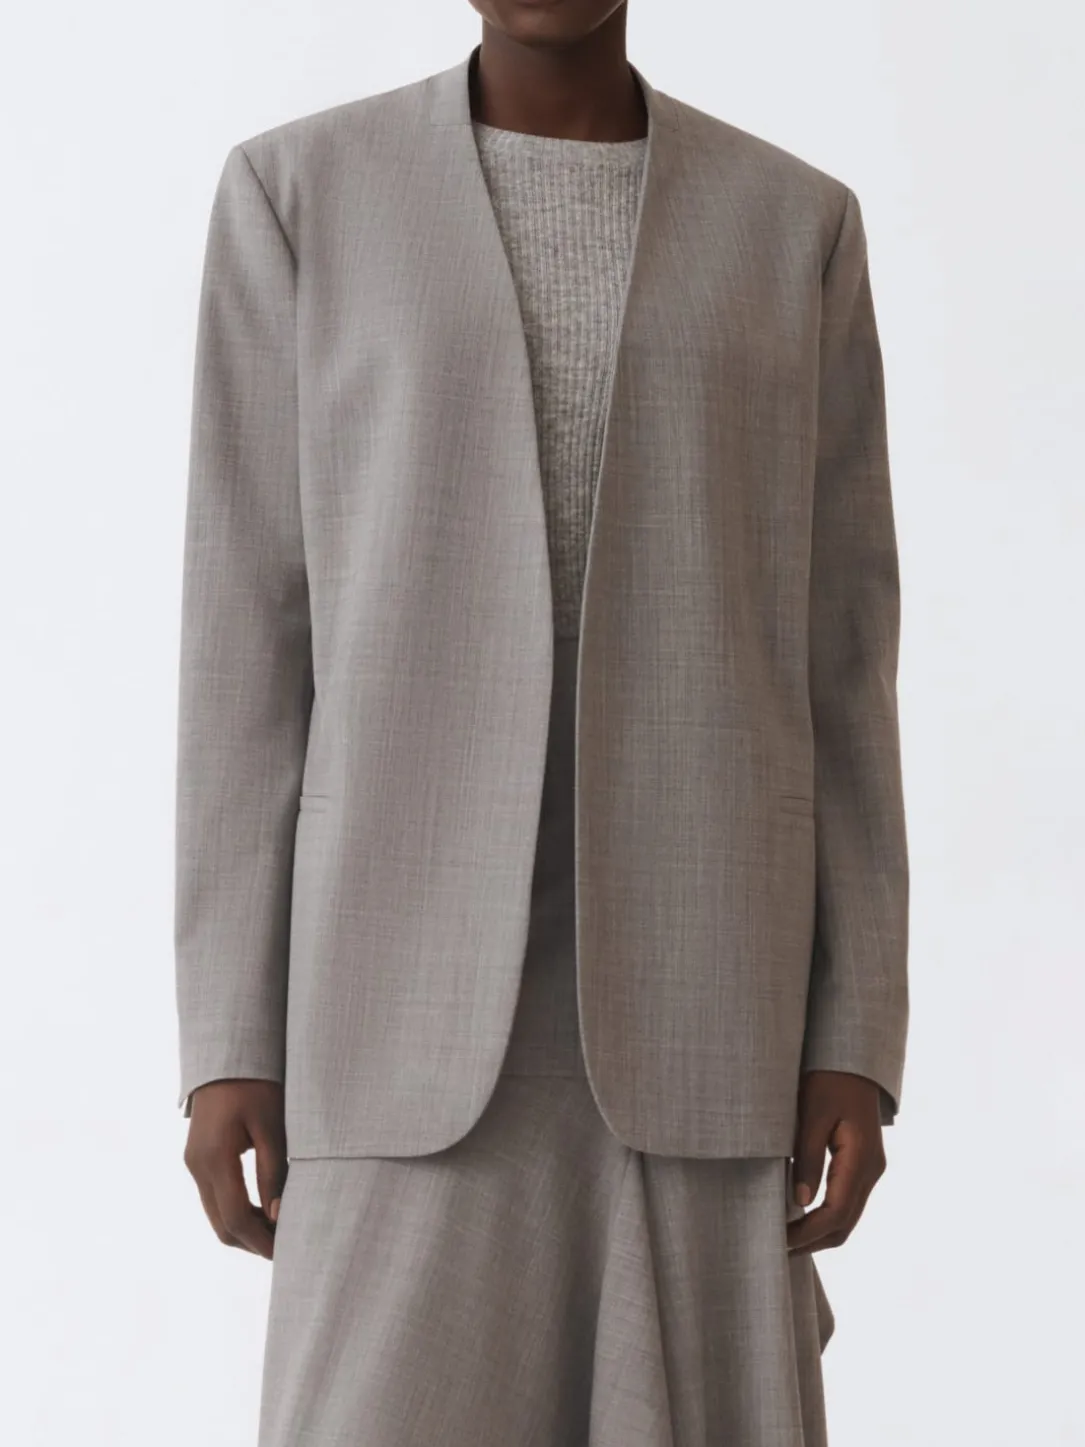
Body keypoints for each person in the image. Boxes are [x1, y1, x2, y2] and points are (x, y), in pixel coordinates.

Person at [174, 4, 909, 1444]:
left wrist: (860, 1027)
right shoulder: (295, 197)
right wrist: (226, 1036)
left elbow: (845, 655)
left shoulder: (795, 227)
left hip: (714, 1002)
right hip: (389, 999)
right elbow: (246, 640)